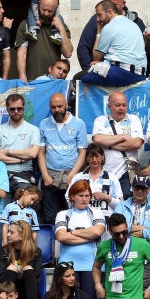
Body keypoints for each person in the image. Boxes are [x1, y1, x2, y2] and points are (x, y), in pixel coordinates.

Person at [55, 181, 107, 299]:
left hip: (91, 265)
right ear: (72, 196)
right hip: (67, 264)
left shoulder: (96, 212)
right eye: (80, 196)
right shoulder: (63, 214)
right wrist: (88, 235)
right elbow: (61, 237)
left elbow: (97, 232)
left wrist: (72, 232)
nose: (84, 199)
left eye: (87, 196)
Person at [37, 93, 87, 225]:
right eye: (53, 107)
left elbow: (82, 153)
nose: (57, 110)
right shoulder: (44, 124)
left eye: (59, 106)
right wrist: (45, 175)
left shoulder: (79, 124)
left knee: (72, 216)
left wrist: (72, 175)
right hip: (50, 177)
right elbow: (41, 152)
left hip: (71, 176)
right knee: (49, 217)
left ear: (66, 104)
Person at [91, 91, 144, 201]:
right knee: (105, 205)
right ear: (109, 106)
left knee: (126, 205)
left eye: (124, 105)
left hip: (126, 175)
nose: (121, 108)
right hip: (105, 173)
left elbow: (137, 143)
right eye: (117, 105)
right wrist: (123, 136)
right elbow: (97, 139)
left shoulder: (134, 120)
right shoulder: (100, 121)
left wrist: (109, 144)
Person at [14, 0, 73, 83]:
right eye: (43, 9)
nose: (46, 13)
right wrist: (22, 76)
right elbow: (22, 53)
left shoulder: (60, 26)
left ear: (56, 9)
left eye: (50, 11)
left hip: (54, 82)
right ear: (38, 4)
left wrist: (61, 28)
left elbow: (68, 53)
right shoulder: (26, 24)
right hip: (31, 80)